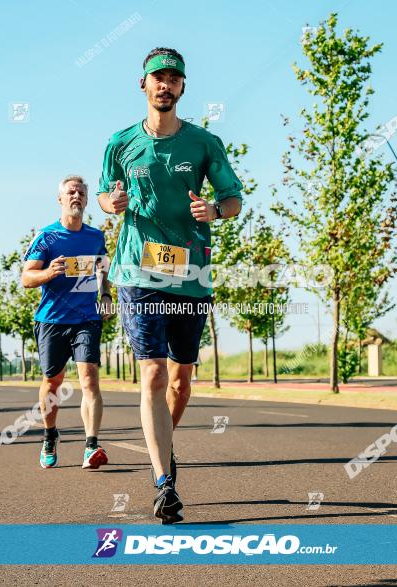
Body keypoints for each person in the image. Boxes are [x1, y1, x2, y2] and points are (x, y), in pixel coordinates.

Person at [97, 47, 243, 524]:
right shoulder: (120, 143)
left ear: (183, 88)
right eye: (157, 78)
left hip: (190, 276)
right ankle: (164, 480)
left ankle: (165, 446)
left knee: (180, 381)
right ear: (143, 85)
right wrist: (111, 203)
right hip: (138, 273)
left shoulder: (204, 143)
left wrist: (215, 211)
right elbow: (104, 191)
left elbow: (233, 198)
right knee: (154, 375)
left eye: (173, 79)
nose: (165, 85)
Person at [22, 175, 114, 470]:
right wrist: (49, 272)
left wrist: (106, 295)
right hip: (52, 320)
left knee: (89, 380)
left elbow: (103, 271)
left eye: (81, 193)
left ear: (87, 200)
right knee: (54, 381)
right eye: (71, 192)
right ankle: (50, 435)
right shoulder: (46, 237)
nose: (76, 196)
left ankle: (91, 446)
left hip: (87, 318)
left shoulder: (95, 237)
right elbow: (26, 278)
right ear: (60, 199)